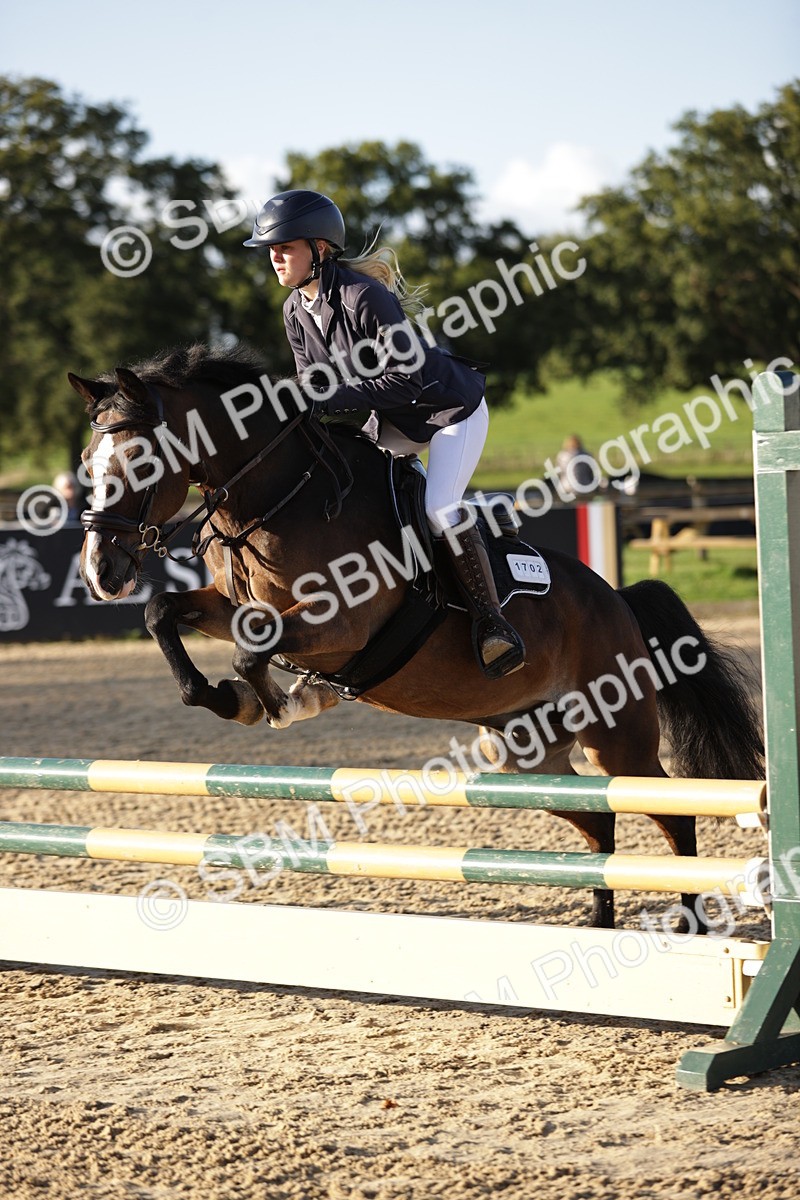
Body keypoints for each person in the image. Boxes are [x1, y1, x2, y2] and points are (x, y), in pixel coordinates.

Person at [243, 189, 525, 679]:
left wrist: (319, 398)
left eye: (285, 246)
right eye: (271, 248)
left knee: (438, 508)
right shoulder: (295, 311)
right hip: (394, 420)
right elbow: (315, 384)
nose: (275, 257)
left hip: (447, 410)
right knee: (369, 499)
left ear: (320, 248)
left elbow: (405, 381)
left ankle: (491, 622)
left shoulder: (362, 296)